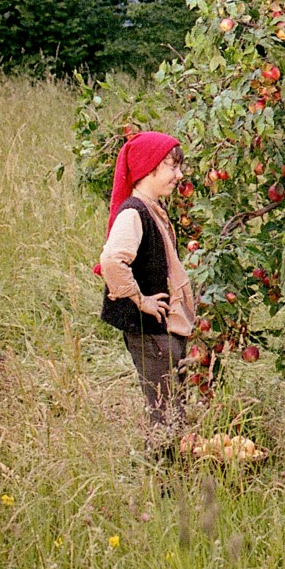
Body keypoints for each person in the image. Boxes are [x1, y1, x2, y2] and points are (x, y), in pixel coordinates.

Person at [96, 131, 196, 454]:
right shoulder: (134, 213)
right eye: (171, 167)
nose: (178, 175)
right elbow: (112, 260)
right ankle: (165, 484)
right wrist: (141, 300)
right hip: (150, 333)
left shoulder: (152, 208)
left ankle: (174, 477)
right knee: (164, 413)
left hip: (162, 331)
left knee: (172, 409)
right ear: (149, 169)